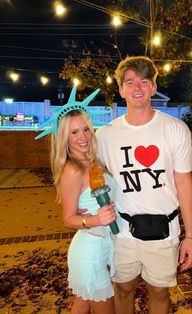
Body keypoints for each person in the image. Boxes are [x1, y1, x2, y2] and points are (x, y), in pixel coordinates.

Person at [96, 56, 192, 314]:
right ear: (121, 89)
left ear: (153, 87)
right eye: (129, 82)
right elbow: (94, 181)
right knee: (123, 289)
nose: (137, 88)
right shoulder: (105, 135)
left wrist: (191, 236)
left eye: (144, 81)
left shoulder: (175, 129)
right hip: (122, 232)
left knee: (159, 292)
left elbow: (184, 183)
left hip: (164, 230)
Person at [40, 88, 118, 314]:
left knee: (81, 307)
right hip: (90, 252)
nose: (83, 137)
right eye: (74, 133)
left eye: (85, 129)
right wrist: (95, 218)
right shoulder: (72, 170)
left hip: (104, 246)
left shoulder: (94, 161)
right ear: (64, 137)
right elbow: (68, 219)